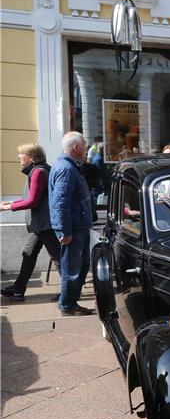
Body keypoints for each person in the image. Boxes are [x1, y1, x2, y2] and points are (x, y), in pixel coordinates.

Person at [0, 144, 62, 301]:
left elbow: (33, 201)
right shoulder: (38, 171)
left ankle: (69, 291)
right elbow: (31, 198)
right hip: (40, 224)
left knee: (58, 258)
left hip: (45, 224)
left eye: (21, 154)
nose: (18, 157)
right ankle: (18, 290)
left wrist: (10, 207)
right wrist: (10, 204)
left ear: (31, 157)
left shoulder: (38, 172)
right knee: (28, 254)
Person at [49, 132, 94, 316]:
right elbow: (60, 202)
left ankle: (69, 302)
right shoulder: (66, 169)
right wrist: (64, 231)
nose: (86, 148)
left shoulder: (70, 166)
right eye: (84, 144)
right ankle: (68, 305)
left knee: (81, 266)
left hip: (78, 225)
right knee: (72, 269)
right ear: (76, 147)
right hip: (73, 228)